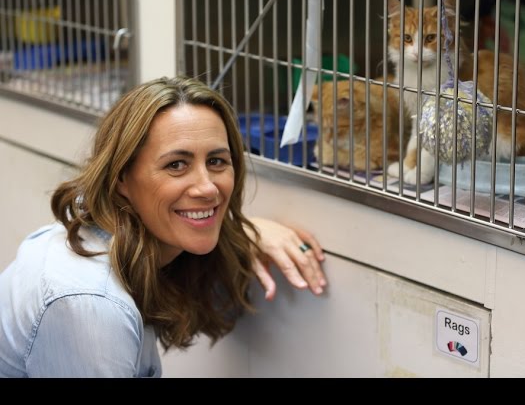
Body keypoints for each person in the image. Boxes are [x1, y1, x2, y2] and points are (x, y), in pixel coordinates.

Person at [0, 76, 327, 377]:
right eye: (176, 165)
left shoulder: (112, 233)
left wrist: (247, 231)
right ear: (122, 179)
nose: (208, 188)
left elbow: (217, 301)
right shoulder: (90, 304)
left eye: (216, 161)